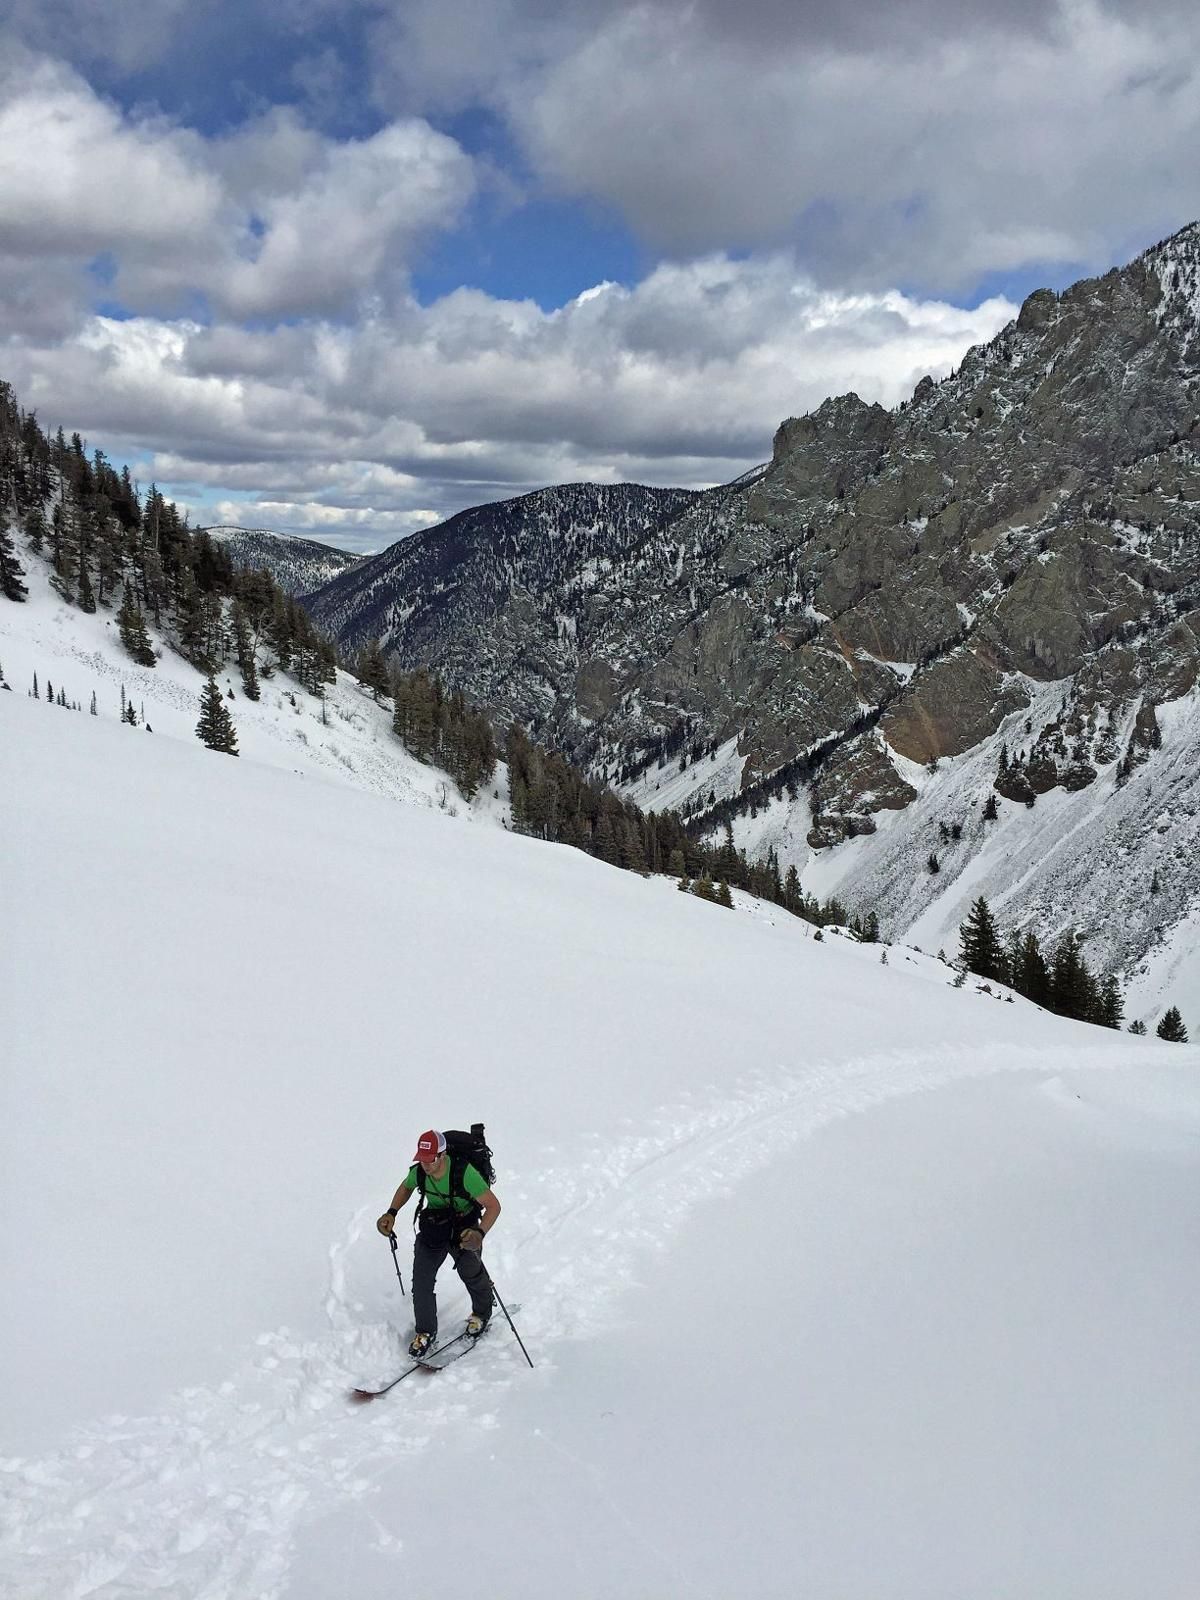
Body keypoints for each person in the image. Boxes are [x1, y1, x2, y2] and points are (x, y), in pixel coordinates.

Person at [377, 1129, 501, 1358]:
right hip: (435, 1226)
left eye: (430, 1158)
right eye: (421, 1159)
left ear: (442, 1155)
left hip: (465, 1228)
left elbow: (494, 1206)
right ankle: (425, 1332)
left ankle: (482, 1313)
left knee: (470, 1271)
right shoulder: (420, 1172)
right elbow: (406, 1187)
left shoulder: (465, 1174)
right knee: (422, 1281)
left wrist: (479, 1233)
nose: (425, 1164)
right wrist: (391, 1212)